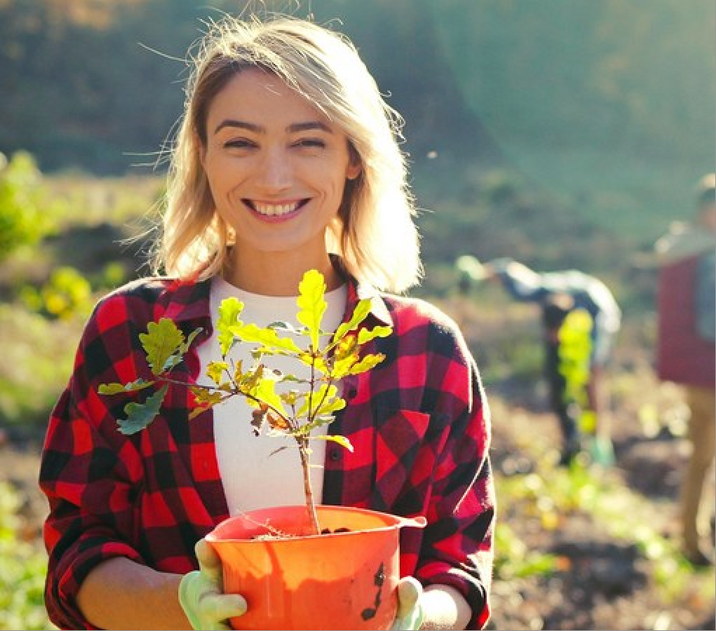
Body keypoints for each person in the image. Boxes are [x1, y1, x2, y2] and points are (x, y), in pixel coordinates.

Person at [39, 16, 493, 630]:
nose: (273, 177)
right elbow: (78, 554)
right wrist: (182, 605)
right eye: (240, 142)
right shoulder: (131, 333)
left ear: (353, 157)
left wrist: (420, 619)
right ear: (203, 155)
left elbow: (458, 563)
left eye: (308, 141)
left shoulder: (426, 352)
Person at [460, 257, 621, 466]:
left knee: (591, 374)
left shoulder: (533, 291)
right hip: (592, 303)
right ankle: (584, 440)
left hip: (599, 309)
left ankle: (598, 440)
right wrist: (483, 272)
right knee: (574, 379)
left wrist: (482, 272)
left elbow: (510, 271)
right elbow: (506, 270)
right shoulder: (538, 291)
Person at [654, 173, 716, 566]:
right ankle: (693, 541)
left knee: (701, 457)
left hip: (695, 371)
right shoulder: (708, 255)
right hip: (710, 371)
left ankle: (693, 536)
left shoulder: (681, 250)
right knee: (703, 458)